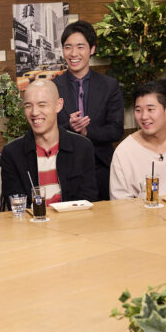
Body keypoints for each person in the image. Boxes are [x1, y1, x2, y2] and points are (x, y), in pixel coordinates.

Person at [53, 20, 124, 200]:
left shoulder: (109, 86)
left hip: (100, 167)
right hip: (63, 168)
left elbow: (116, 130)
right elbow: (46, 130)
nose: (73, 53)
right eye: (68, 47)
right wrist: (69, 127)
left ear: (92, 49)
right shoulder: (53, 87)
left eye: (80, 47)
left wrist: (87, 131)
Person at [0, 79, 96, 208]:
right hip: (32, 220)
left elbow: (88, 199)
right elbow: (16, 204)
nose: (34, 112)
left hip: (73, 219)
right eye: (28, 106)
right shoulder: (12, 153)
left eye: (42, 105)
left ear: (58, 105)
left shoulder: (82, 147)